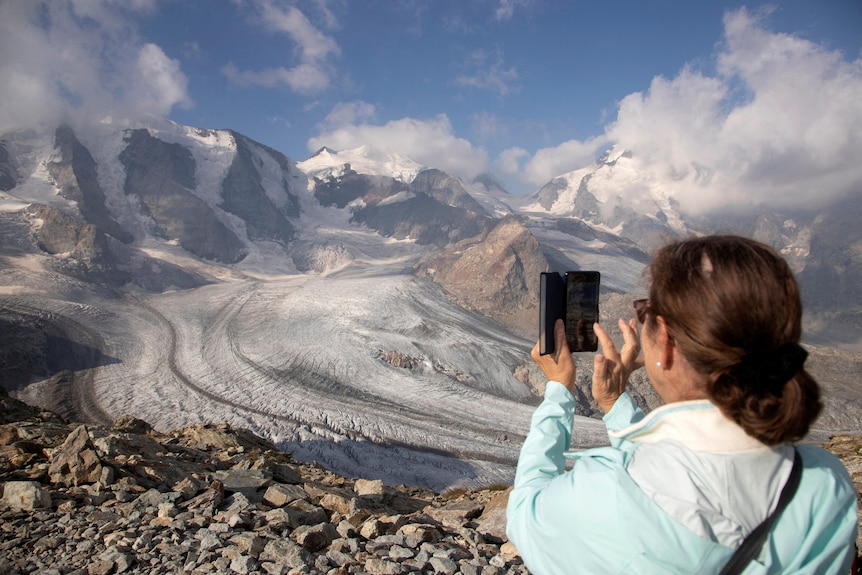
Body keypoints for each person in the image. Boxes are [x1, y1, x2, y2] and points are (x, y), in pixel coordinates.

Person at [506, 235, 858, 574]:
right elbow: (684, 469)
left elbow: (526, 514)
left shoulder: (605, 493)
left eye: (644, 312)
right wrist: (614, 404)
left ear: (669, 343)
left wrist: (558, 390)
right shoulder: (825, 482)